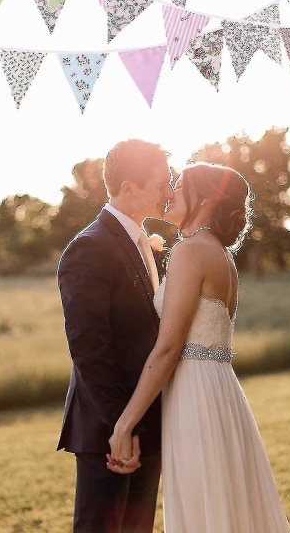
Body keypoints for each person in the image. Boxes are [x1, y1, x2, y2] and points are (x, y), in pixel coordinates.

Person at [107, 162, 290, 532]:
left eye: (178, 184)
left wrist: (124, 425)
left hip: (195, 398)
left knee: (204, 509)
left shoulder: (190, 252)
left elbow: (168, 348)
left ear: (205, 198)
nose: (169, 191)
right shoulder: (222, 257)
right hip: (220, 391)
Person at [56, 138, 174, 533]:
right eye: (161, 183)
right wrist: (124, 427)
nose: (169, 192)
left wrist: (143, 422)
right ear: (129, 188)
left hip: (147, 419)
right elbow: (90, 350)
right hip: (109, 429)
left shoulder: (145, 244)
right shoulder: (89, 249)